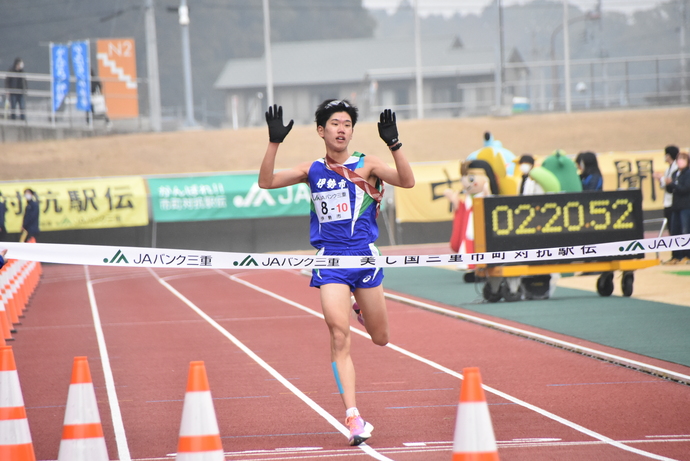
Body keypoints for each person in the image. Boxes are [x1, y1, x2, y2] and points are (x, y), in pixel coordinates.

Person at [258, 100, 415, 446]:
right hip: (330, 262)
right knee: (338, 334)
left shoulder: (368, 164)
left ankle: (360, 308)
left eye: (347, 124)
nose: (341, 129)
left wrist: (394, 145)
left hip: (364, 259)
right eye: (334, 124)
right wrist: (274, 142)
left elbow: (408, 181)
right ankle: (353, 417)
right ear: (321, 131)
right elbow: (266, 182)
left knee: (381, 338)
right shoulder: (312, 169)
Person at [663, 151, 690, 264]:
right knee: (675, 232)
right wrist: (668, 184)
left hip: (686, 206)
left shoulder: (688, 173)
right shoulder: (674, 173)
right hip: (675, 207)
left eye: (683, 159)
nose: (680, 161)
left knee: (686, 231)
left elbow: (684, 189)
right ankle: (676, 256)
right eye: (679, 158)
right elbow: (671, 190)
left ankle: (687, 256)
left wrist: (672, 184)